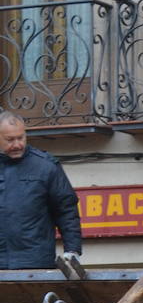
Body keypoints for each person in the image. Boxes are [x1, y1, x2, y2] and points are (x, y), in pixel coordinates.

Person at [0, 111, 83, 270]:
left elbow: (66, 210)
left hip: (35, 263)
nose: (17, 144)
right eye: (10, 140)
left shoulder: (45, 166)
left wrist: (72, 251)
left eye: (21, 137)